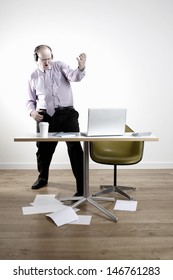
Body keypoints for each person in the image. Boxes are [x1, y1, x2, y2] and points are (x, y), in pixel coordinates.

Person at [26, 45, 86, 196]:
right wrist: (32, 112)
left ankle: (81, 186)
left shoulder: (60, 66)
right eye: (43, 59)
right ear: (36, 58)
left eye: (49, 58)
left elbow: (75, 76)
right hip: (45, 116)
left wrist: (81, 67)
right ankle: (43, 177)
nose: (47, 62)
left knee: (75, 149)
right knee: (43, 150)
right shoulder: (33, 76)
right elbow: (30, 100)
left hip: (67, 115)